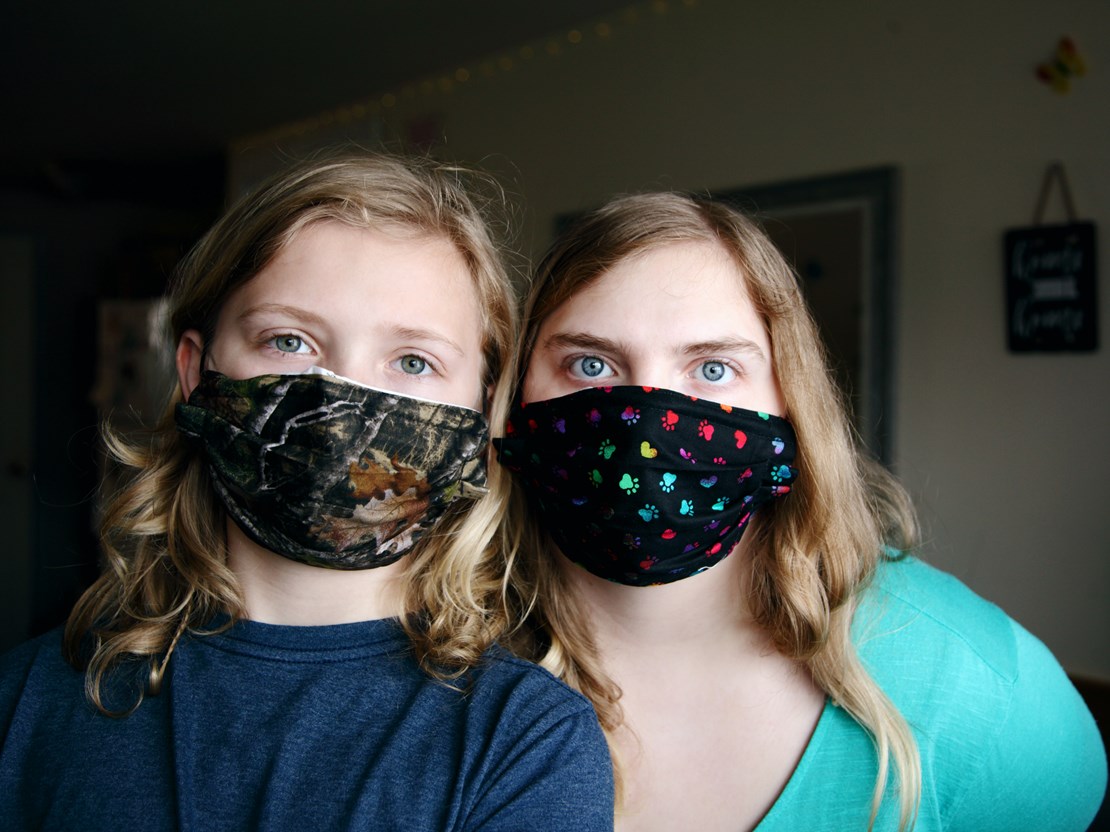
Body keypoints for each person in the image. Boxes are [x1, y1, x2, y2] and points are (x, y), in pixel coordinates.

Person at [0, 153, 614, 830]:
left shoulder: (524, 740)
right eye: (288, 340)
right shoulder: (24, 703)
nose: (343, 397)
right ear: (194, 373)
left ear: (482, 408)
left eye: (413, 360)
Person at [494, 191, 1106, 831]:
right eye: (590, 363)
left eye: (713, 367)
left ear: (790, 405)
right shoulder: (439, 668)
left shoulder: (982, 694)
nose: (648, 417)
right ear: (515, 398)